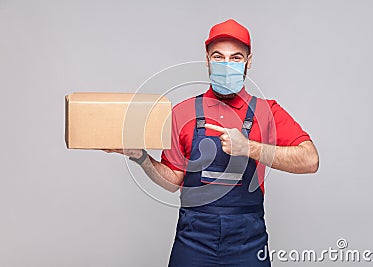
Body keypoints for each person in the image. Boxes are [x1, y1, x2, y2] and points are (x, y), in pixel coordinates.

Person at [105, 19, 319, 266]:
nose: (226, 65)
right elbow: (172, 180)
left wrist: (249, 148)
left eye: (236, 58)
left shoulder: (266, 111)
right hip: (193, 242)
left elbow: (310, 160)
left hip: (247, 243)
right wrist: (140, 156)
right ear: (207, 60)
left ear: (249, 63)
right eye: (218, 56)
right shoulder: (182, 112)